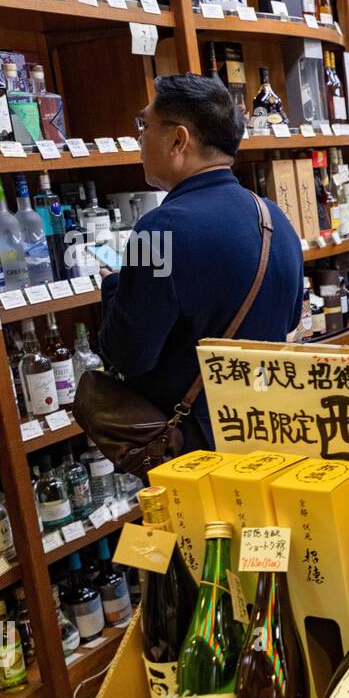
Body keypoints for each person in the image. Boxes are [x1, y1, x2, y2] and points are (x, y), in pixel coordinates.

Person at [97, 73, 304, 453]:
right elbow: (289, 321)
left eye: (144, 125)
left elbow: (128, 355)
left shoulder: (155, 229)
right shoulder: (275, 218)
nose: (139, 138)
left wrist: (113, 286)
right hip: (271, 428)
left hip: (196, 446)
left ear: (179, 139)